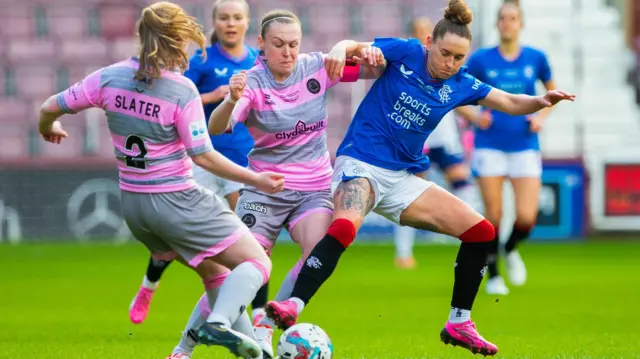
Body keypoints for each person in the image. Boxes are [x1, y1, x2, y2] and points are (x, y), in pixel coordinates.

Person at [265, 0, 574, 356]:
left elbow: (507, 101)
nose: (451, 63)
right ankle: (294, 305)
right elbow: (355, 48)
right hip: (361, 163)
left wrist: (541, 100)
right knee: (346, 226)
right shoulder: (408, 52)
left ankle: (459, 322)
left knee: (481, 232)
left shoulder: (460, 83)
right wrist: (339, 49)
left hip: (401, 177)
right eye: (445, 54)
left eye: (459, 58)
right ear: (429, 42)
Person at [37, 2, 284, 358]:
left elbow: (49, 107)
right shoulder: (180, 90)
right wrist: (256, 180)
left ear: (141, 36)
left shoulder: (109, 76)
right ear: (178, 39)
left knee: (215, 275)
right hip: (176, 200)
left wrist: (49, 128)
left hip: (136, 210)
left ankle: (228, 354)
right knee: (258, 262)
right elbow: (203, 156)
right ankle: (217, 324)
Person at [188, 9, 376, 359]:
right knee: (244, 270)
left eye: (293, 44)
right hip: (265, 189)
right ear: (261, 44)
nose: (287, 52)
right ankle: (183, 349)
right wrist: (230, 99)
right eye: (278, 44)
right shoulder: (252, 82)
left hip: (314, 189)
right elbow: (215, 128)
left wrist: (351, 46)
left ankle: (264, 326)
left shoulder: (317, 67)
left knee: (317, 251)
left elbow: (373, 66)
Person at [128, 0, 272, 328]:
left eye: (237, 17)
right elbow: (171, 94)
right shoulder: (202, 60)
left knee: (252, 238)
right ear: (215, 22)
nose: (231, 23)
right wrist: (215, 96)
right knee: (174, 236)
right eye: (224, 17)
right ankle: (150, 284)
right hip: (200, 160)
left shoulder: (255, 61)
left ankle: (259, 318)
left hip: (239, 160)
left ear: (247, 22)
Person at [463, 0, 557, 295]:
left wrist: (541, 117)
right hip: (489, 145)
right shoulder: (480, 60)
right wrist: (475, 116)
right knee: (493, 215)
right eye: (502, 18)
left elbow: (552, 93)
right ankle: (493, 275)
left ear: (521, 23)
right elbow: (455, 94)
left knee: (527, 217)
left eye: (512, 18)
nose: (507, 23)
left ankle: (511, 247)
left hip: (524, 145)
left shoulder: (536, 58)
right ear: (497, 23)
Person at [393, 16, 481, 269]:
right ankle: (403, 252)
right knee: (410, 195)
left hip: (445, 139)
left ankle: (468, 237)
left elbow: (456, 99)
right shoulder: (407, 65)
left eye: (426, 30)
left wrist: (475, 116)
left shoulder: (445, 63)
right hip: (420, 140)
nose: (423, 35)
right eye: (418, 31)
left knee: (463, 184)